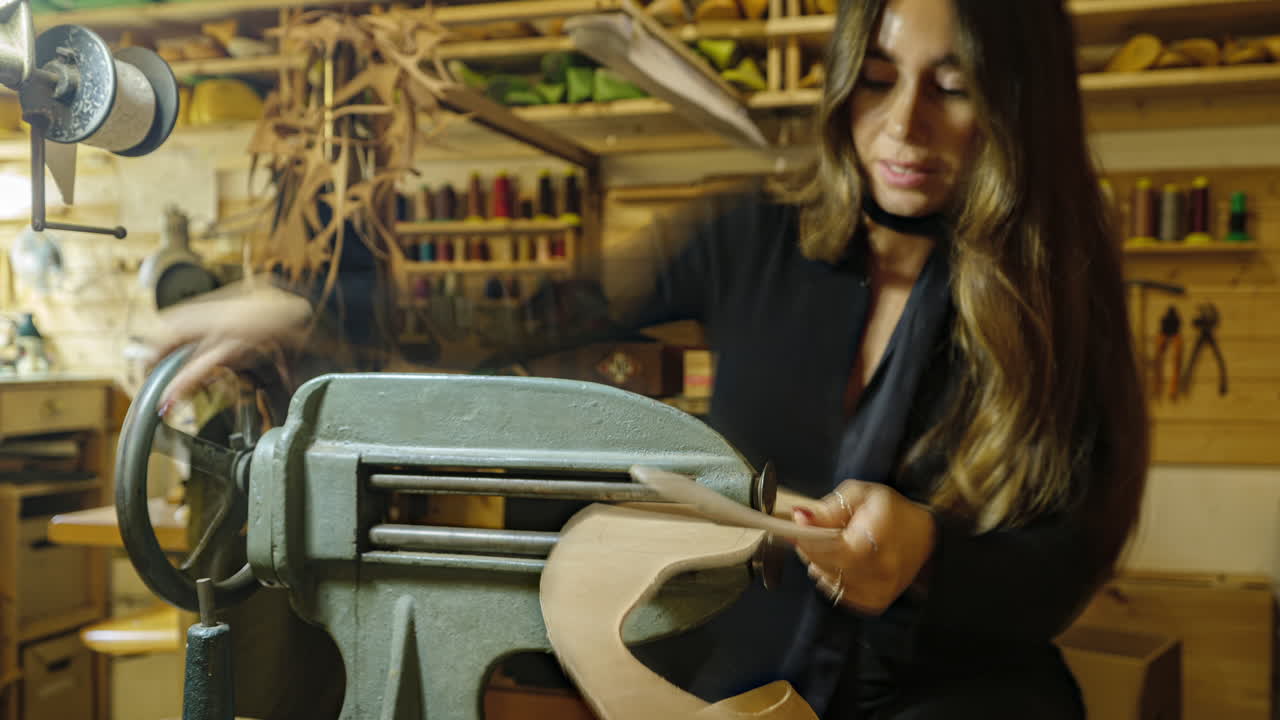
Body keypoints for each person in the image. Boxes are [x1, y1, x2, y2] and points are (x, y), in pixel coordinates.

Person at [151, 0, 1148, 717]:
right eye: (877, 80)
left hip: (960, 692)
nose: (901, 129)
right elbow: (518, 316)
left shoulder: (1060, 302)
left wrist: (930, 553)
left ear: (1018, 106)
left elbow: (1064, 562)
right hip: (732, 689)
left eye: (955, 88)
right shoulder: (747, 239)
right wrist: (308, 308)